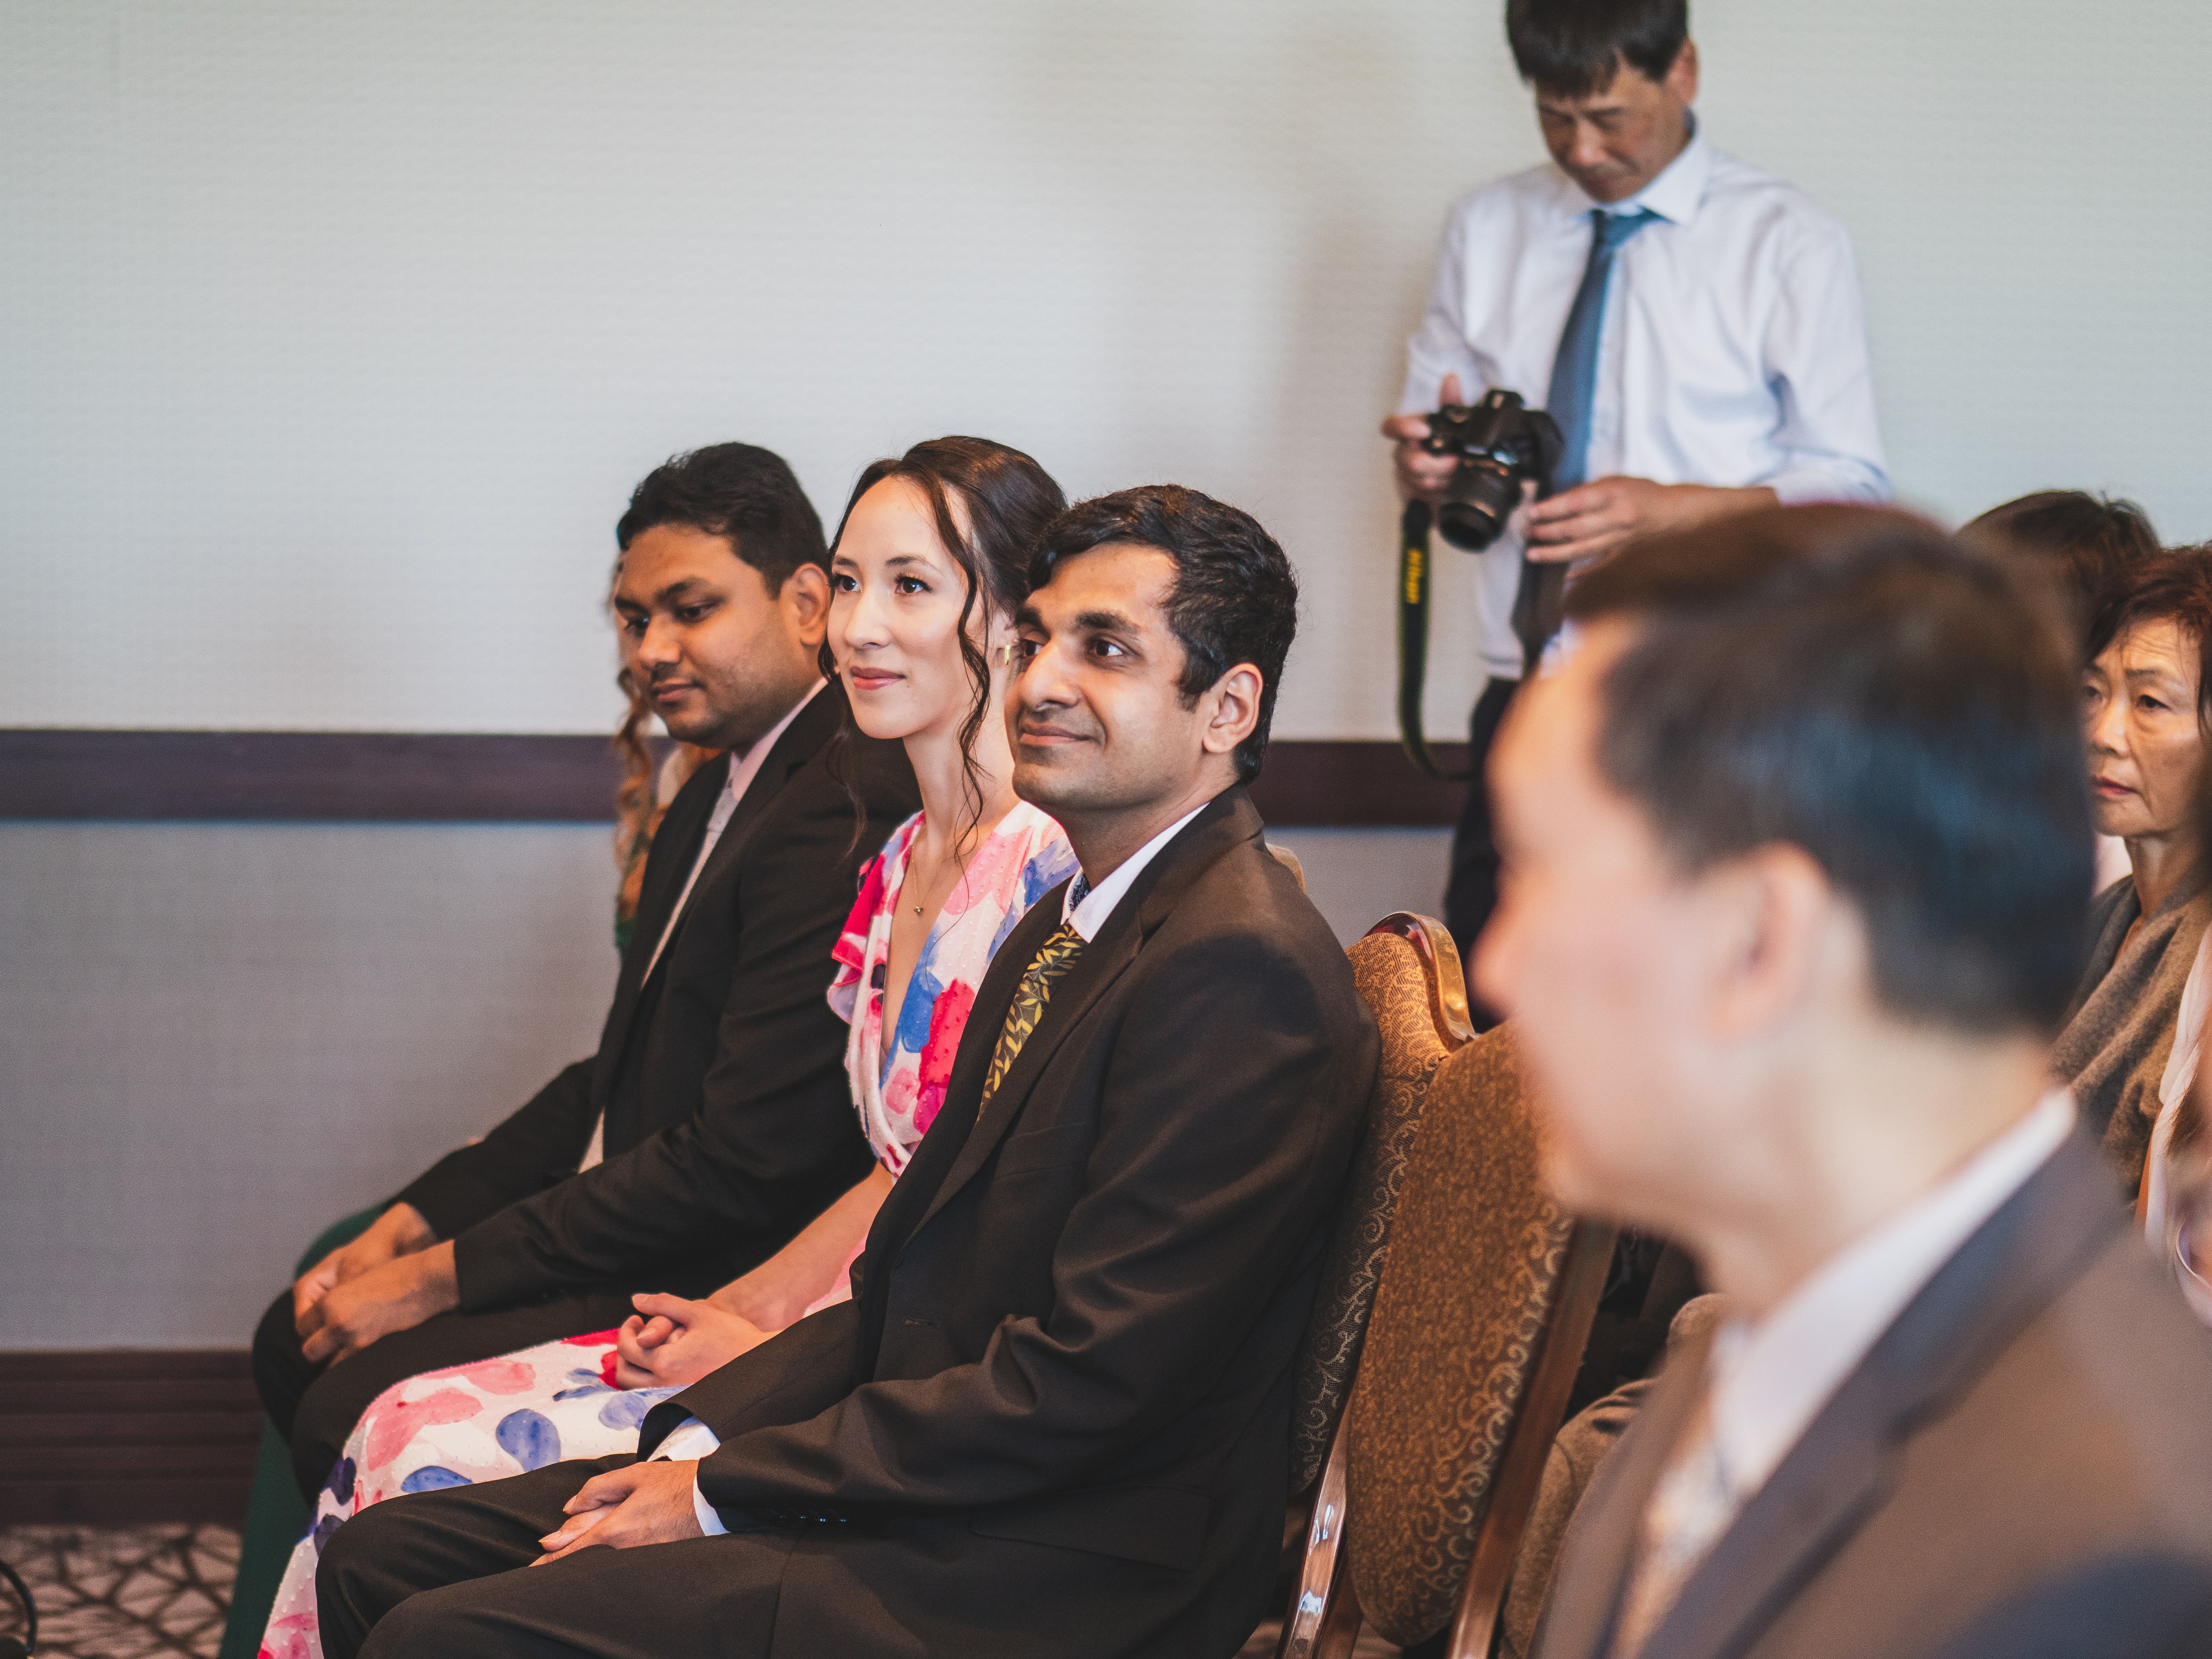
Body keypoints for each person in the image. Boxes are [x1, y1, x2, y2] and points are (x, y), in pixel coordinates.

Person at [311, 484, 1379, 1659]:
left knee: (439, 1635)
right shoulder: (1070, 920)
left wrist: (718, 1493)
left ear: (1228, 706)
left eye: (1107, 649)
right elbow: (913, 1282)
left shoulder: (1240, 969)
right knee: (382, 1558)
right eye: (1033, 641)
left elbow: (1084, 1384)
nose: (1041, 683)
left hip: (1052, 1563)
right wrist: (702, 1440)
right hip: (949, 1482)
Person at [253, 439, 1074, 1659]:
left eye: (910, 586)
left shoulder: (1029, 866)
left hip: (891, 1367)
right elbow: (877, 1161)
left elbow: (958, 1206)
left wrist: (760, 1336)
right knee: (378, 1428)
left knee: (406, 1441)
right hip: (810, 1305)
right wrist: (739, 1311)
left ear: (1009, 618)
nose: (859, 624)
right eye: (852, 583)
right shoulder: (895, 852)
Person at [1476, 503, 2212, 1659]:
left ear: (1760, 937)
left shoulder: (2093, 1549)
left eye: (1550, 875)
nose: (1498, 964)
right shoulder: (1758, 1338)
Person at [1381, 0, 1887, 958]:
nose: (1583, 149)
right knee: (1494, 972)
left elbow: (1854, 488)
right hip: (1527, 676)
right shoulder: (1486, 227)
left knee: (1692, 971)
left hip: (1708, 685)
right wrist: (1425, 468)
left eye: (1609, 117)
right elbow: (1429, 459)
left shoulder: (1787, 239)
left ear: (1681, 70)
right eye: (1554, 117)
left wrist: (1674, 514)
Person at [2058, 547, 2212, 1203]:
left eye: (2149, 702)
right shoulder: (2101, 916)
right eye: (2090, 693)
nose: (2103, 732)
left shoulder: (2205, 953)